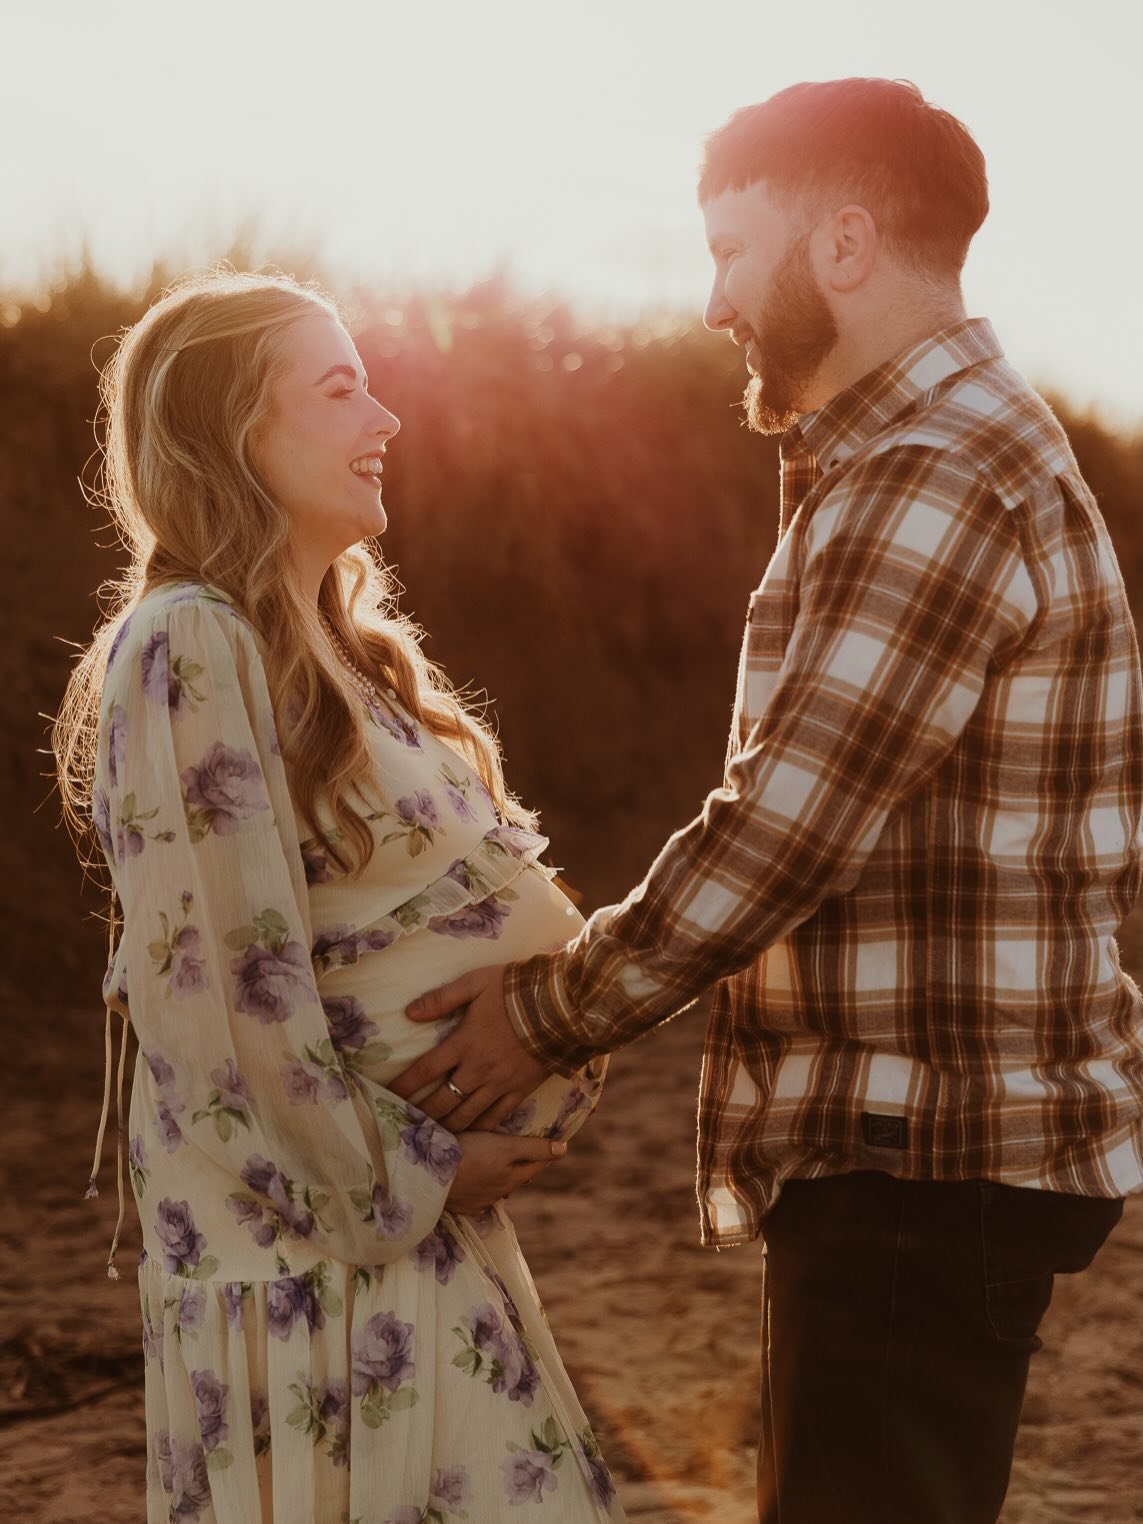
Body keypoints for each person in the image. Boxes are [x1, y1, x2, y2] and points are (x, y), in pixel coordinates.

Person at [390, 78, 1143, 1524]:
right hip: (924, 1151)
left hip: (920, 1153)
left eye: (734, 250)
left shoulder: (934, 469)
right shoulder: (937, 450)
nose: (714, 300)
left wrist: (545, 1014)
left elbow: (782, 832)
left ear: (843, 242)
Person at [54, 270, 622, 1524]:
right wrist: (412, 1176)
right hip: (316, 1251)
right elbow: (219, 996)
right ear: (235, 431)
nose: (386, 419)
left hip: (399, 1233)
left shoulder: (342, 654)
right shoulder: (188, 642)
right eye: (340, 387)